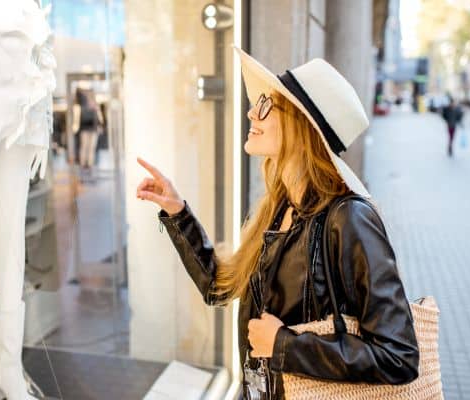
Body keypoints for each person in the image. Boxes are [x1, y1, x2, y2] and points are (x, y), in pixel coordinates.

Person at [136, 48, 419, 399]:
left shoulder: (349, 218)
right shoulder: (281, 207)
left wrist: (285, 346)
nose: (252, 111)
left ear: (302, 125)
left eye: (268, 105)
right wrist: (178, 213)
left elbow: (399, 356)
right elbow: (219, 287)